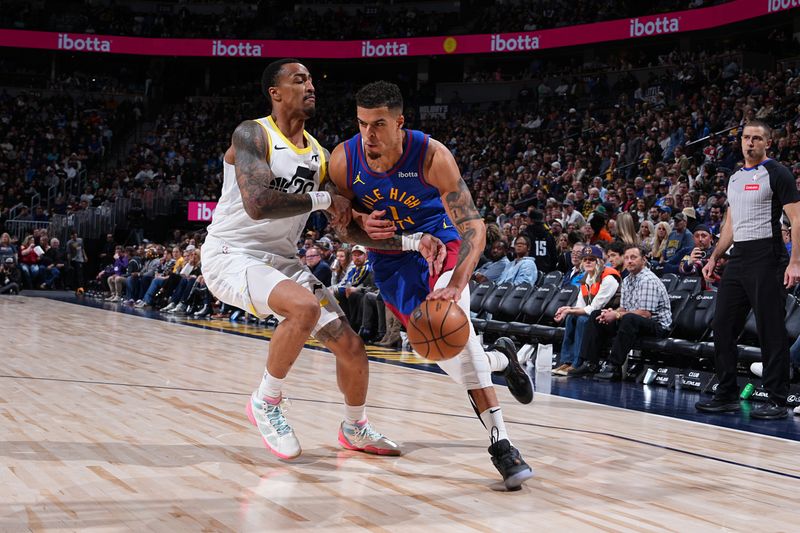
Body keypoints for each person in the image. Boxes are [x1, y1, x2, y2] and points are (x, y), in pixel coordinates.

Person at [327, 80, 534, 490]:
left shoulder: (432, 155)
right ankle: (502, 360)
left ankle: (503, 446)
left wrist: (456, 284)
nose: (369, 134)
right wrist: (359, 225)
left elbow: (474, 224)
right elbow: (342, 231)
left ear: (400, 122)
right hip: (391, 263)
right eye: (363, 123)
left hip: (442, 246)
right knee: (445, 353)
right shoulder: (343, 160)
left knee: (461, 342)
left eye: (379, 124)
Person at [201, 58, 403, 460]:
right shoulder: (252, 134)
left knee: (351, 348)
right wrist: (327, 199)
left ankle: (355, 426)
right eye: (299, 79)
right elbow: (258, 204)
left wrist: (408, 242)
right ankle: (266, 400)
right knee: (304, 308)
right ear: (275, 93)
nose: (310, 85)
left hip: (281, 260)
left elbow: (344, 225)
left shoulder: (320, 155)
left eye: (311, 79)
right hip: (230, 254)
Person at [697, 120, 800, 419]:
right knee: (723, 325)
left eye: (757, 138)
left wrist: (795, 261)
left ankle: (777, 399)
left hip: (768, 256)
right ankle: (727, 393)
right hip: (739, 257)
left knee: (771, 329)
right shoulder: (735, 177)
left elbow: (796, 218)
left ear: (767, 143)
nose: (750, 143)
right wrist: (716, 255)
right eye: (746, 138)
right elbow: (731, 223)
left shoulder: (777, 173)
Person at [568, 245, 671, 380]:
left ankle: (614, 367)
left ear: (644, 260)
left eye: (633, 257)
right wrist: (611, 312)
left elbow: (645, 313)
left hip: (657, 326)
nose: (629, 261)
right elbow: (624, 308)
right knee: (596, 315)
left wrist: (616, 315)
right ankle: (590, 363)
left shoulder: (648, 280)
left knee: (629, 319)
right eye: (627, 258)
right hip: (635, 322)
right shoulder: (628, 279)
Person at [553, 245, 620, 376]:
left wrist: (569, 310)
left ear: (599, 261)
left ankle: (578, 362)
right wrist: (568, 309)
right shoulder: (586, 278)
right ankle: (567, 361)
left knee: (582, 319)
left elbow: (594, 308)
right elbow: (580, 306)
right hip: (595, 316)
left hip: (611, 318)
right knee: (571, 317)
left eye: (592, 259)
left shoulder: (609, 278)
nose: (588, 262)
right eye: (585, 259)